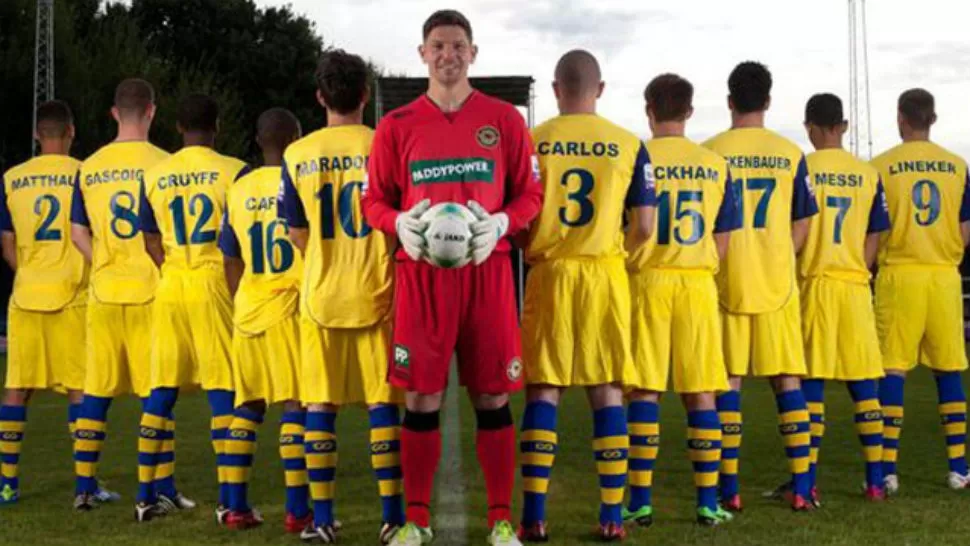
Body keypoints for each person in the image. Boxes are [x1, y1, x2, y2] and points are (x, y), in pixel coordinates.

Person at [361, 9, 543, 546]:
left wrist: (506, 221)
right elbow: (373, 200)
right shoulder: (396, 126)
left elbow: (531, 193)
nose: (448, 55)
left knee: (491, 396)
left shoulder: (506, 120)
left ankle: (501, 520)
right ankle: (415, 520)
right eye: (438, 46)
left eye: (458, 45)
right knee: (420, 399)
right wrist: (397, 223)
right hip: (420, 278)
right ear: (423, 54)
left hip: (488, 274)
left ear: (473, 53)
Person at [516, 49, 654, 542]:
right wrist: (618, 252)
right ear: (599, 89)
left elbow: (519, 220)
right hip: (604, 274)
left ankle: (533, 517)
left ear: (556, 89)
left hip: (550, 273)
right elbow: (643, 225)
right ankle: (612, 516)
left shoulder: (533, 141)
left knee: (543, 389)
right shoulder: (628, 144)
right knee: (608, 390)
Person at [278, 49, 405, 544]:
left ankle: (323, 520)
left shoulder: (297, 153)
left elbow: (295, 231)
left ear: (319, 96)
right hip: (378, 292)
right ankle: (392, 520)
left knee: (320, 408)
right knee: (382, 409)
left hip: (320, 296)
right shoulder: (386, 144)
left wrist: (327, 259)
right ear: (366, 95)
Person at [623, 73, 740, 528]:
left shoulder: (638, 156)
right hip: (696, 284)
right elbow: (724, 241)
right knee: (702, 394)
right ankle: (708, 503)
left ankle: (640, 501)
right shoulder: (714, 164)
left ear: (648, 108)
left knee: (645, 391)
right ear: (689, 112)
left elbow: (632, 226)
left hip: (648, 280)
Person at [703, 61, 819, 511]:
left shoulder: (710, 151)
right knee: (787, 381)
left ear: (729, 101)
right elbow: (805, 221)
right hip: (777, 282)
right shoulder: (790, 153)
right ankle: (803, 488)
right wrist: (778, 251)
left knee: (727, 384)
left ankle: (728, 491)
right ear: (768, 102)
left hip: (725, 279)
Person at [134, 93, 249, 522]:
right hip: (213, 280)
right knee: (222, 389)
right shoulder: (234, 171)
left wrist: (172, 266)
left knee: (161, 391)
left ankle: (145, 496)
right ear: (215, 127)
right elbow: (240, 237)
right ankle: (228, 499)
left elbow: (148, 238)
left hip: (171, 283)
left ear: (177, 129)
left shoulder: (155, 175)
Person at [69, 78, 169, 510]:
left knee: (97, 393)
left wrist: (103, 260)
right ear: (151, 111)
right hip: (150, 289)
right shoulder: (165, 164)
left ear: (114, 113)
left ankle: (84, 488)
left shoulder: (88, 167)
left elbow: (77, 233)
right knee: (155, 393)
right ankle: (160, 487)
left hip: (105, 290)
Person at [785, 92, 889, 503]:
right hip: (855, 286)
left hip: (815, 285)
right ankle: (876, 481)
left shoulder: (804, 166)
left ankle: (805, 483)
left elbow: (797, 228)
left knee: (812, 386)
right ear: (842, 126)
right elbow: (875, 234)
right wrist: (858, 268)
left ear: (810, 126)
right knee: (864, 386)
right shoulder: (867, 173)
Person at [870, 88, 970, 494]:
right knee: (949, 371)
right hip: (944, 276)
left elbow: (873, 229)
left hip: (898, 275)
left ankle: (888, 469)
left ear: (900, 117)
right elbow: (965, 233)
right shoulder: (957, 165)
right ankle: (959, 468)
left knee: (893, 370)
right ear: (933, 118)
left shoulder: (881, 166)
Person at [218, 107, 305, 531]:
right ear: (298, 139)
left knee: (248, 406)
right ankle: (297, 511)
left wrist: (240, 299)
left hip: (248, 306)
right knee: (296, 404)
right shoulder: (300, 180)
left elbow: (229, 256)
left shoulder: (240, 187)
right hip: (289, 305)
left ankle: (235, 508)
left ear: (257, 140)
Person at [0, 100, 87, 505]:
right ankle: (85, 485)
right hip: (73, 294)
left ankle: (7, 484)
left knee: (17, 388)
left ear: (38, 135)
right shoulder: (83, 174)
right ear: (70, 132)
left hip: (27, 294)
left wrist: (29, 271)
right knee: (79, 387)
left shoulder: (11, 178)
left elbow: (6, 243)